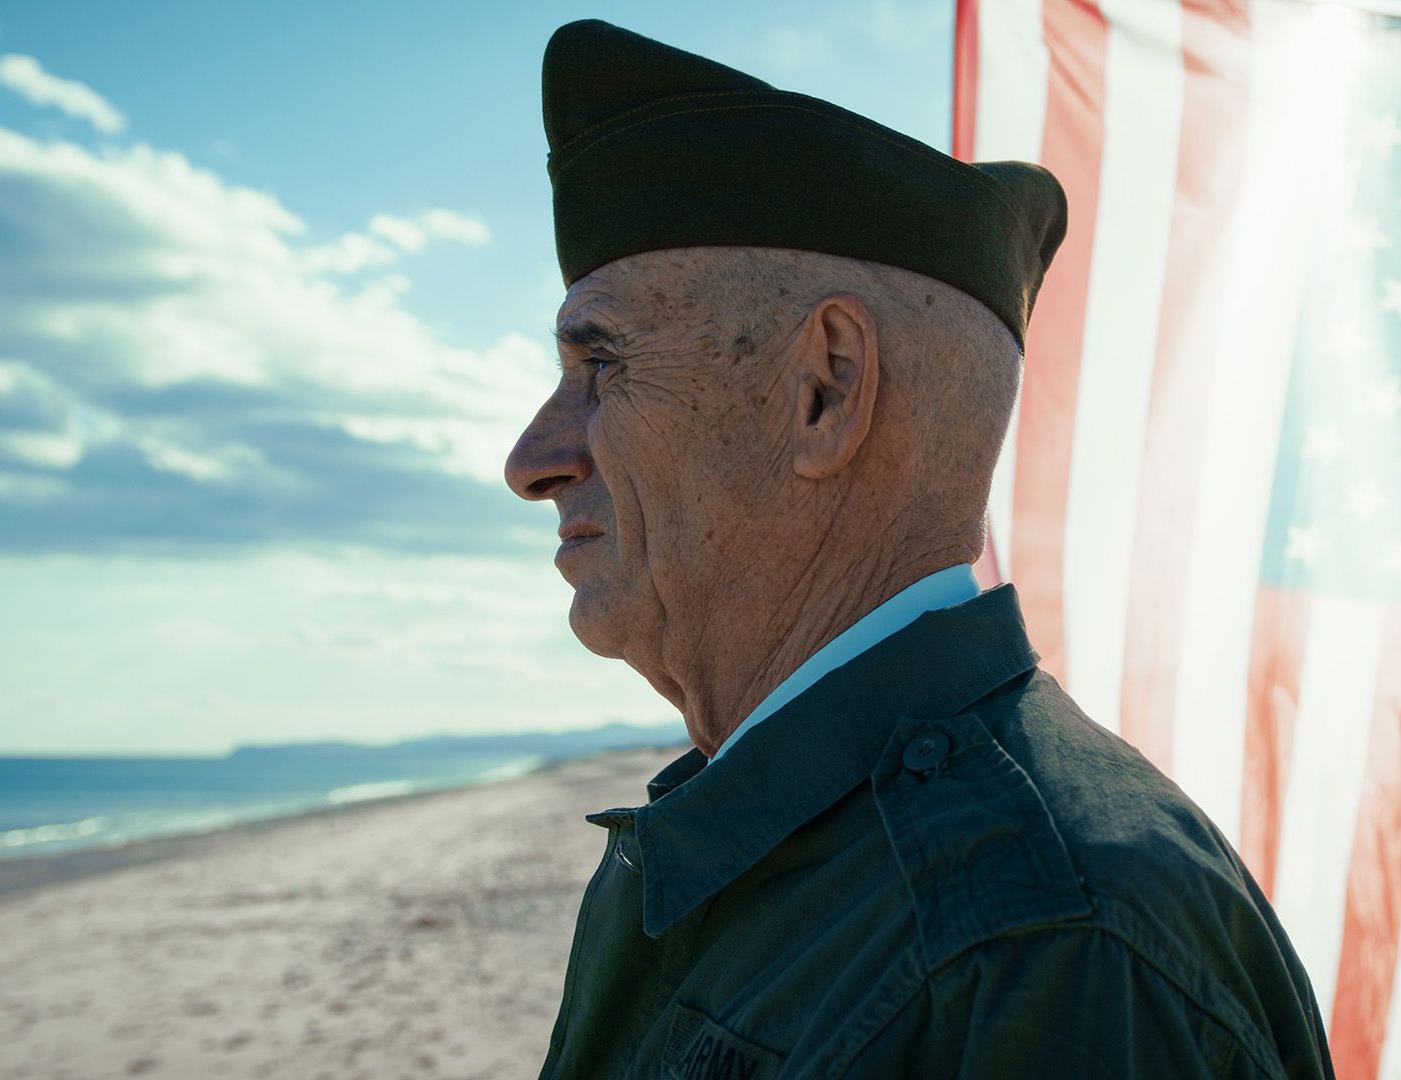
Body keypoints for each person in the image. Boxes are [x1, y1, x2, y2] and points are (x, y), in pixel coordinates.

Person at [505, 19, 1333, 1079]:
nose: (531, 458)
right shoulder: (769, 837)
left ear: (825, 389)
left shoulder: (1040, 947)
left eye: (604, 365)